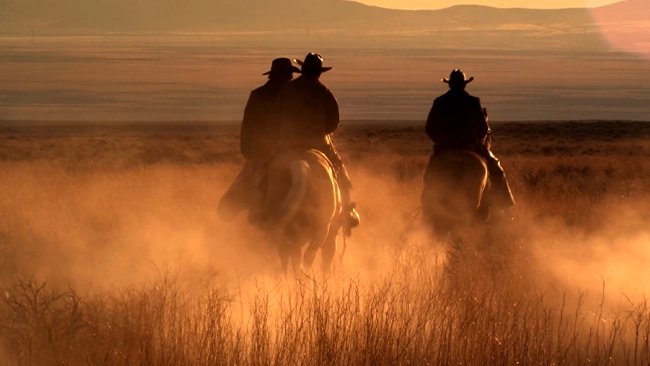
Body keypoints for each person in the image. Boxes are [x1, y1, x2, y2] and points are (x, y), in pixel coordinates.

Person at [275, 52, 360, 236]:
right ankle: (346, 210)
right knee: (338, 169)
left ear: (303, 70)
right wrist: (319, 131)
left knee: (263, 167)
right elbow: (333, 122)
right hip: (318, 145)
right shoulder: (324, 92)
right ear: (319, 73)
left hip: (287, 145)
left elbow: (276, 115)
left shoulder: (286, 90)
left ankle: (256, 203)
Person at [217, 57, 301, 222]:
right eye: (289, 74)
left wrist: (247, 150)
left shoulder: (258, 94)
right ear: (286, 75)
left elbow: (248, 125)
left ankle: (234, 209)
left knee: (249, 179)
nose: (291, 77)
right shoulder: (295, 95)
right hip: (293, 147)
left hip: (266, 149)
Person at [425, 69, 515, 220]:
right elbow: (482, 128)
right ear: (464, 85)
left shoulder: (439, 102)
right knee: (496, 169)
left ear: (450, 85)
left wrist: (442, 141)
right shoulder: (474, 102)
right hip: (470, 146)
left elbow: (430, 128)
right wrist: (473, 141)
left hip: (445, 148)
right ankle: (502, 207)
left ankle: (428, 207)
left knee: (430, 174)